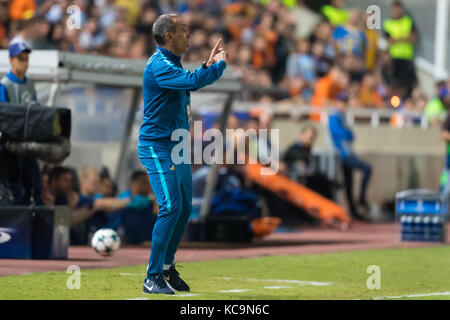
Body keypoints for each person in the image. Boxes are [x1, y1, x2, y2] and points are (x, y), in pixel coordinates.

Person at [138, 13, 228, 295]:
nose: (189, 36)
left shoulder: (170, 64)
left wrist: (205, 65)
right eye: (184, 31)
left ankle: (166, 268)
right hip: (157, 146)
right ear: (168, 36)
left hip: (176, 146)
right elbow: (192, 83)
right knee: (170, 207)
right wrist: (219, 66)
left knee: (185, 208)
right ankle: (151, 276)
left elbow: (185, 80)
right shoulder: (159, 65)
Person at [0, 40, 41, 206]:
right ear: (11, 60)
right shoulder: (5, 85)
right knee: (16, 188)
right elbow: (5, 116)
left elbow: (36, 109)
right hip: (12, 146)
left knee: (34, 187)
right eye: (21, 59)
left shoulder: (30, 84)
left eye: (26, 59)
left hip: (28, 143)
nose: (25, 63)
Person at [328, 94, 372, 221]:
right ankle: (361, 199)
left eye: (345, 103)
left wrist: (348, 134)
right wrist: (347, 133)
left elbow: (351, 135)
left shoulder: (342, 118)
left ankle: (353, 211)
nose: (343, 105)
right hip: (342, 154)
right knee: (367, 168)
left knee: (349, 183)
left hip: (347, 152)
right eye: (341, 102)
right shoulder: (334, 117)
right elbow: (343, 134)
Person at [282, 125, 337, 200]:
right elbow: (298, 168)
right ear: (302, 135)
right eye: (308, 137)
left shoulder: (306, 149)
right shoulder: (294, 150)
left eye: (312, 138)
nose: (310, 140)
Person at [383, 0, 418, 99]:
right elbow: (388, 40)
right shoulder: (388, 23)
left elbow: (414, 37)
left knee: (407, 83)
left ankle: (404, 100)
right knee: (394, 82)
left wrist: (397, 39)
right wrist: (404, 38)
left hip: (406, 57)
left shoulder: (407, 21)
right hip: (394, 57)